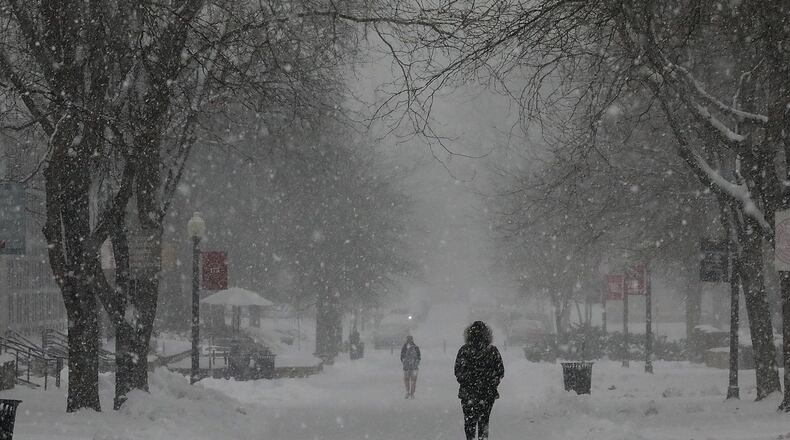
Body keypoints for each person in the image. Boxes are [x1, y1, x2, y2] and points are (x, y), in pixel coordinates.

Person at [454, 321, 504, 440]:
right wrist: (491, 384)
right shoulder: (492, 351)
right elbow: (500, 371)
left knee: (469, 422)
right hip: (487, 393)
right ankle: (483, 438)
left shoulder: (464, 350)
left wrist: (467, 382)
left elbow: (458, 371)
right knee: (484, 421)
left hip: (468, 393)